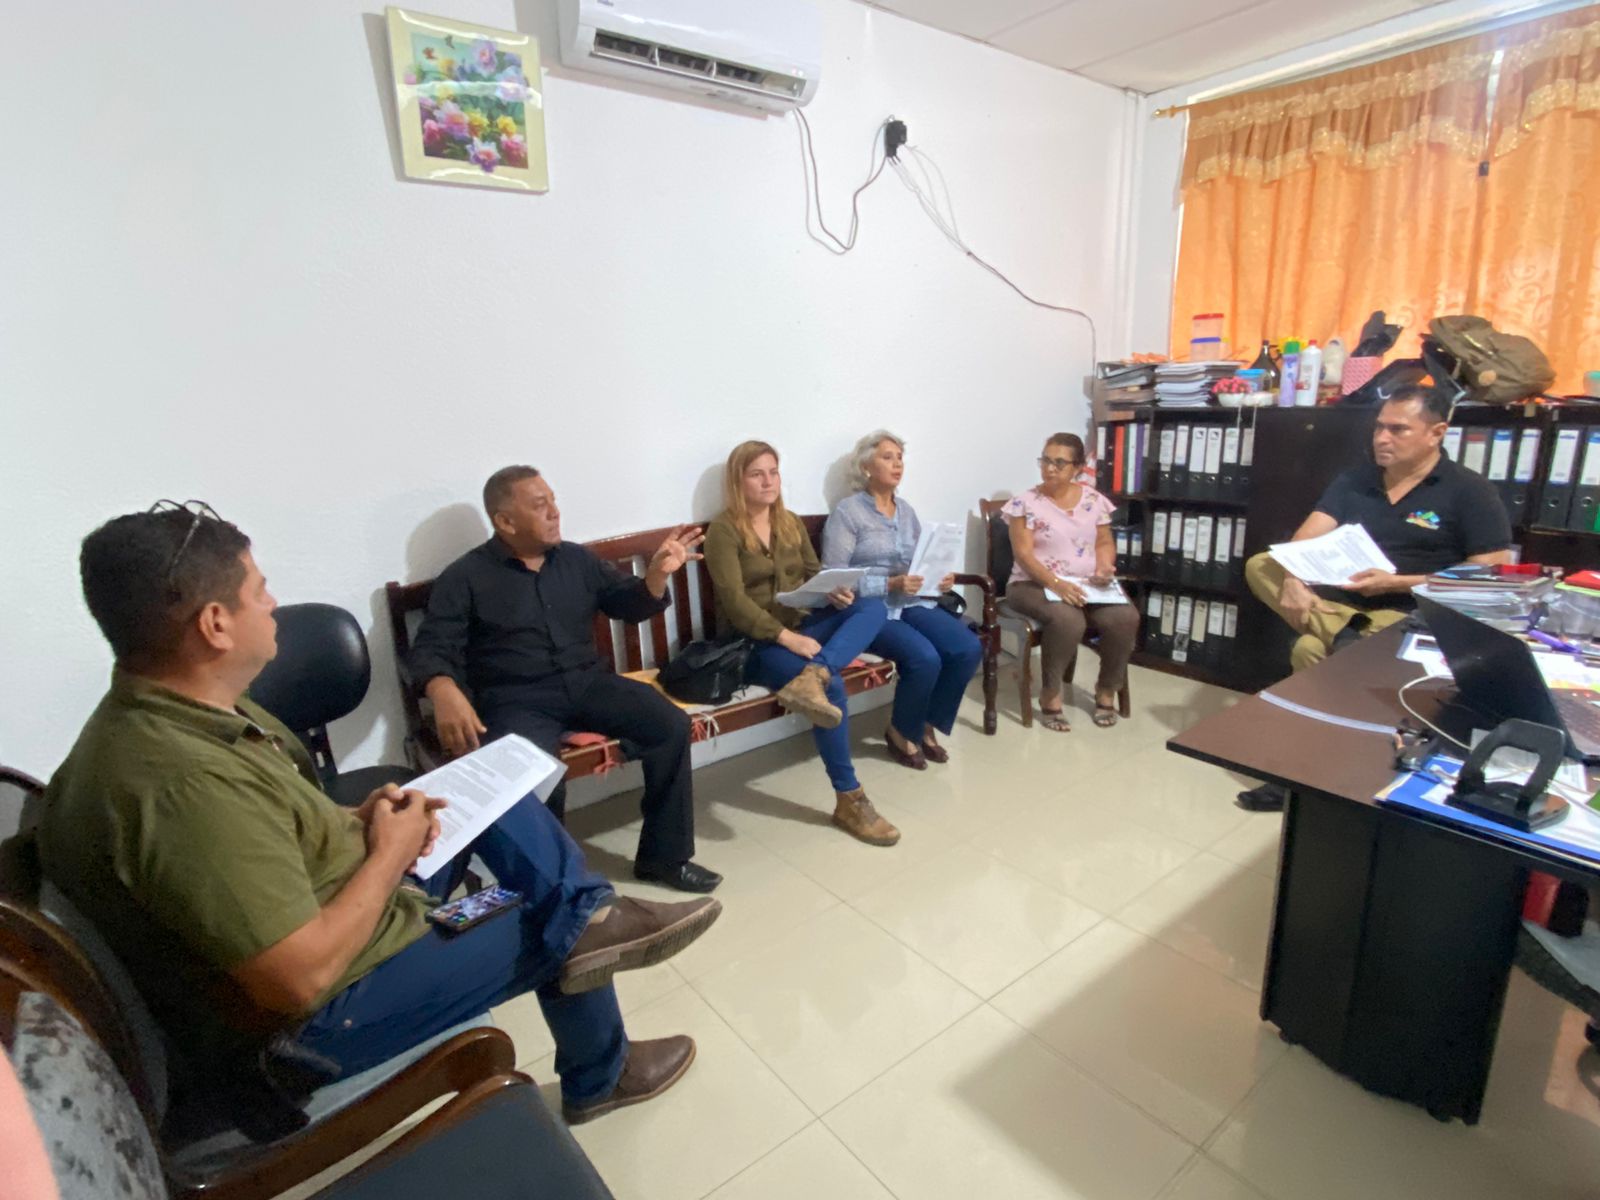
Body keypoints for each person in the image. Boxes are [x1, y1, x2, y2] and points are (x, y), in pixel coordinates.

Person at [38, 502, 722, 1126]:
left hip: (348, 910)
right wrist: (390, 853)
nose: (272, 604)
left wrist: (355, 821)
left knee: (496, 802)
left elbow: (270, 825)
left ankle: (590, 917)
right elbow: (300, 979)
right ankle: (599, 1057)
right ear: (215, 625)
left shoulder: (201, 710)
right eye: (258, 590)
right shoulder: (178, 784)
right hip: (322, 1016)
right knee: (539, 910)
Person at [410, 466, 721, 894]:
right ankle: (555, 890)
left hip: (587, 683)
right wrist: (443, 688)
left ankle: (664, 859)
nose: (555, 512)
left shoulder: (576, 560)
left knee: (669, 725)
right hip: (517, 699)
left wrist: (655, 576)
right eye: (541, 505)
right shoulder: (465, 577)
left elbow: (627, 604)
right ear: (505, 521)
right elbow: (432, 646)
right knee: (536, 771)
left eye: (553, 501)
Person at [1238, 385, 1513, 809]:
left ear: (1436, 433)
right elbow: (1306, 537)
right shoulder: (1357, 479)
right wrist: (1293, 578)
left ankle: (1297, 774)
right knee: (1262, 564)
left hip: (1409, 613)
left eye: (1398, 429)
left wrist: (1398, 582)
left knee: (1310, 650)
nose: (1382, 438)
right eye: (1379, 427)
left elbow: (1485, 573)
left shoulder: (1469, 491)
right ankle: (1347, 638)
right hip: (1340, 599)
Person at [703, 441, 899, 846]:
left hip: (802, 626)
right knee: (833, 688)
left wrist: (834, 592)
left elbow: (813, 573)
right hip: (756, 643)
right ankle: (850, 799)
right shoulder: (723, 530)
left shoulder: (789, 521)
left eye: (773, 472)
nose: (768, 481)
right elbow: (734, 602)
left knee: (871, 607)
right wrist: (787, 638)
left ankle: (818, 671)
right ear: (738, 481)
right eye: (757, 474)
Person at [821, 430, 984, 768]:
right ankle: (900, 731)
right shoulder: (848, 512)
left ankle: (925, 723)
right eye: (887, 457)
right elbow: (834, 578)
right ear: (866, 466)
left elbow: (920, 561)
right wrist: (889, 583)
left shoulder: (906, 511)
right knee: (925, 657)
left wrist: (939, 577)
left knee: (967, 647)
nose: (897, 464)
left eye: (899, 458)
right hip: (872, 610)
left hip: (912, 602)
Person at [1001, 433, 1139, 731]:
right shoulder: (1024, 503)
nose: (1050, 468)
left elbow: (1104, 541)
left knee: (1125, 617)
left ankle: (1106, 689)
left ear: (1077, 467)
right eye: (1046, 460)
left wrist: (1104, 566)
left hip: (1085, 584)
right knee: (1068, 619)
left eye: (1059, 463)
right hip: (1030, 585)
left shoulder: (1094, 500)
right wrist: (1056, 584)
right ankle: (1051, 694)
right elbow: (1023, 555)